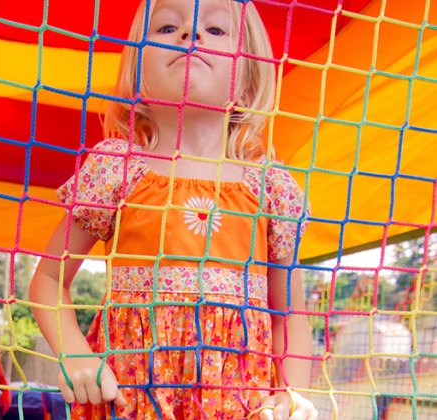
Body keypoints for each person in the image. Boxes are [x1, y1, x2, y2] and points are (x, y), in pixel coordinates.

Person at [29, 0, 318, 418]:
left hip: (237, 403)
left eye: (215, 30)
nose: (189, 35)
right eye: (167, 26)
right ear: (139, 71)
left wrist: (294, 395)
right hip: (131, 398)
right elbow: (51, 278)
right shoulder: (118, 169)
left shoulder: (271, 189)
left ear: (248, 79)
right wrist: (75, 354)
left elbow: (288, 314)